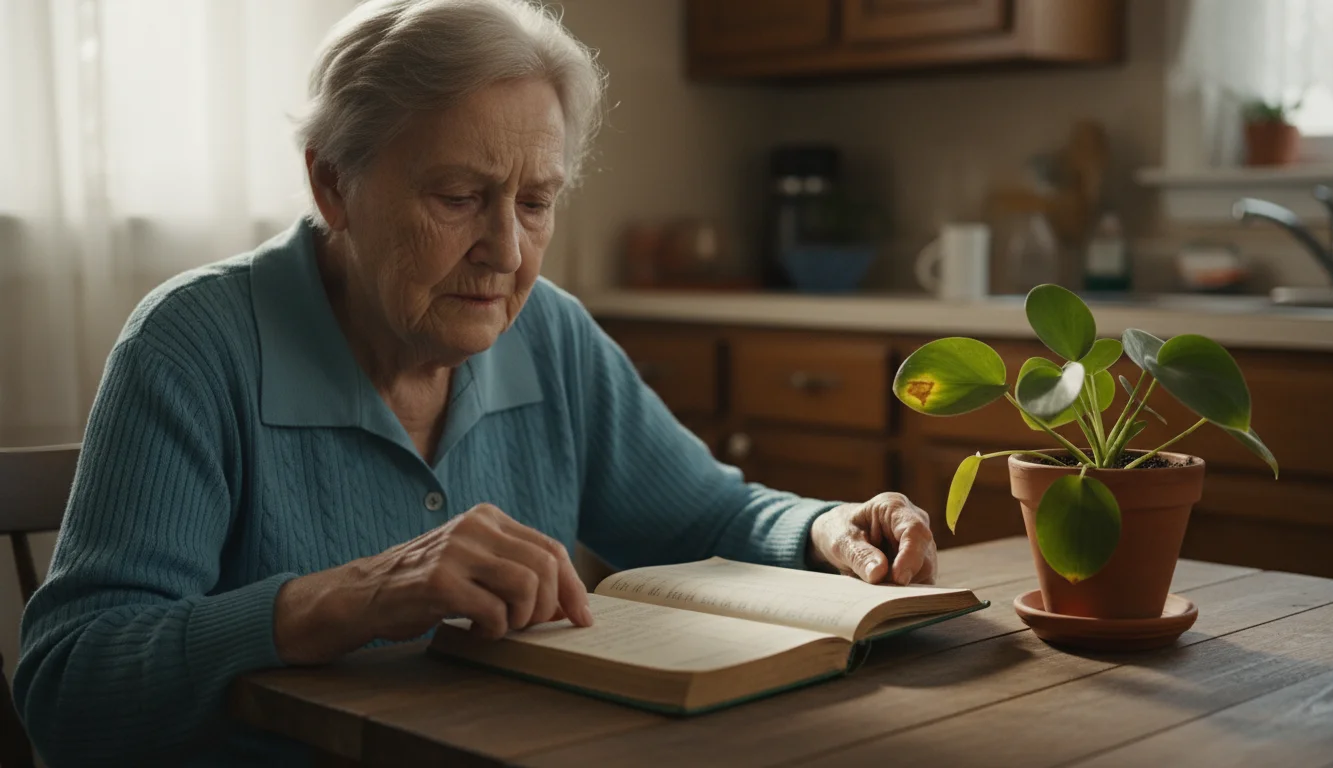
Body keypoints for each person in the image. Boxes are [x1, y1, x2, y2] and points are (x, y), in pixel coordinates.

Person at [14, 0, 937, 765]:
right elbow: (67, 689)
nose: (505, 252)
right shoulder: (195, 346)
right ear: (333, 184)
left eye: (535, 202)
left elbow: (708, 518)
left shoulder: (551, 332)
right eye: (458, 197)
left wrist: (825, 528)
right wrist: (354, 597)